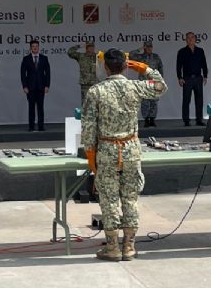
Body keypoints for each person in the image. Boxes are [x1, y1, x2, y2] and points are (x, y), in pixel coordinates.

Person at [82, 49, 167, 261]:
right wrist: (144, 68)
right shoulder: (134, 87)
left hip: (107, 150)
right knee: (130, 198)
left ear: (106, 67)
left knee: (109, 198)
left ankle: (112, 247)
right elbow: (160, 87)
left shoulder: (96, 91)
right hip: (130, 148)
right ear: (125, 66)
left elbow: (89, 128)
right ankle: (129, 246)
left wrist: (91, 157)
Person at [175, 32, 208, 126]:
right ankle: (186, 120)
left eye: (192, 37)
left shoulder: (200, 51)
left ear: (195, 39)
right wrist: (179, 78)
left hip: (198, 78)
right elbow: (178, 66)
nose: (190, 39)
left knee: (199, 100)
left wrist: (205, 76)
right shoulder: (182, 51)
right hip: (187, 78)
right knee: (186, 100)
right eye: (188, 38)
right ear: (186, 40)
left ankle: (199, 120)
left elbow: (204, 64)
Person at [129, 41, 164, 127]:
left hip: (154, 81)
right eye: (147, 47)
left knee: (154, 102)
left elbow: (160, 67)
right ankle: (146, 120)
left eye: (150, 47)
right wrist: (140, 49)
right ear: (145, 48)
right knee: (145, 102)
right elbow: (131, 55)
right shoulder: (140, 57)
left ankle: (152, 119)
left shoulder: (156, 57)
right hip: (144, 82)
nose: (149, 48)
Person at [20, 40, 50, 132]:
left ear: (39, 47)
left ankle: (41, 126)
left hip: (41, 87)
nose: (35, 48)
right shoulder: (26, 59)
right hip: (30, 87)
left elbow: (48, 73)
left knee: (41, 107)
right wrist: (24, 86)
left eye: (36, 46)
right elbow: (22, 74)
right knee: (31, 107)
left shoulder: (44, 58)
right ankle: (31, 126)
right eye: (33, 46)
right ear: (30, 48)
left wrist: (47, 85)